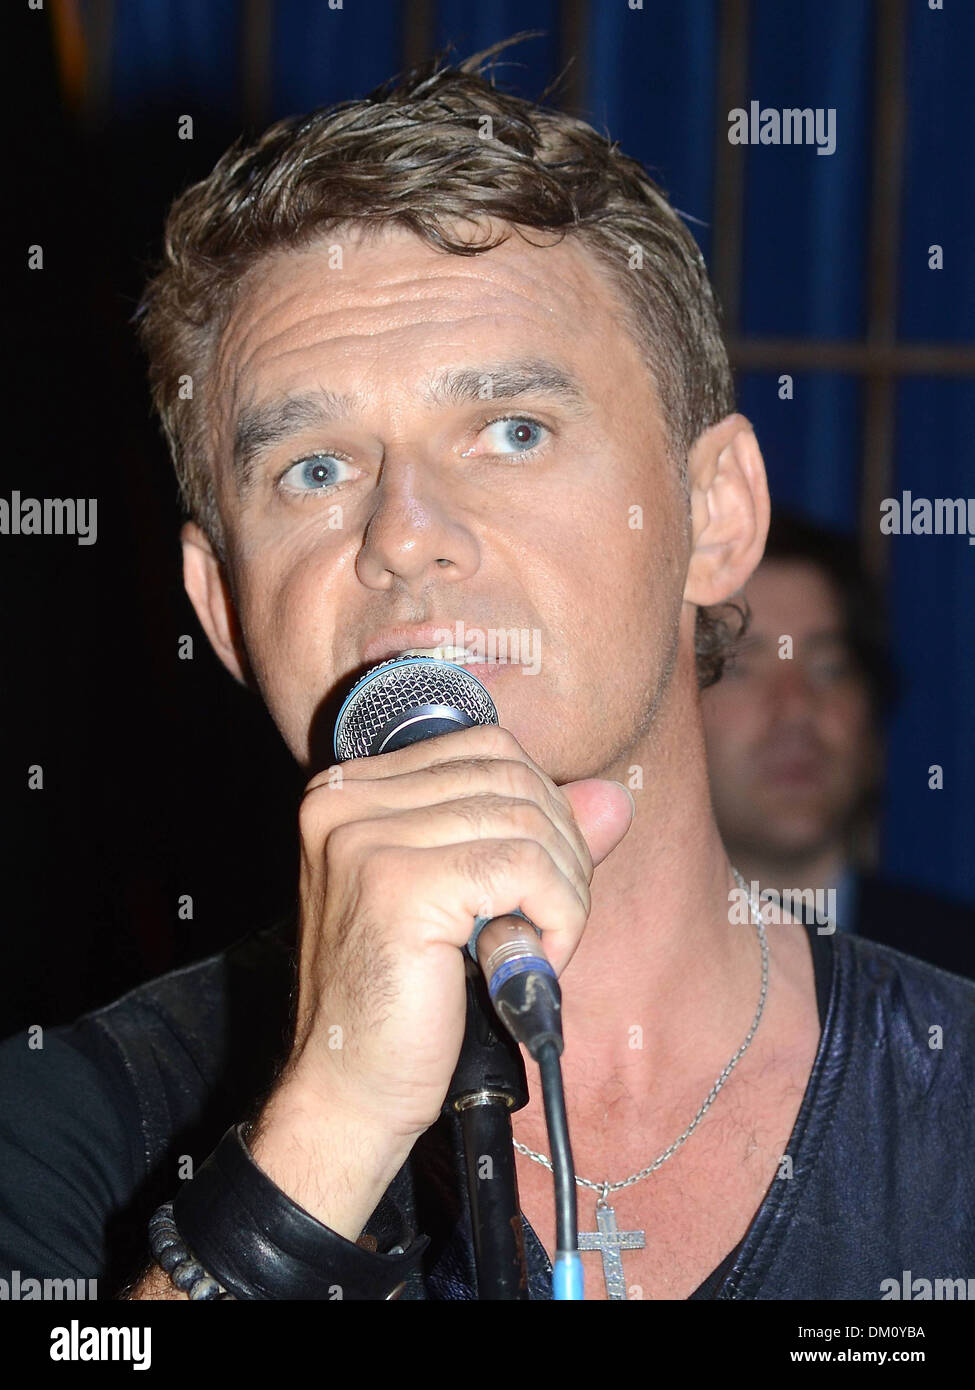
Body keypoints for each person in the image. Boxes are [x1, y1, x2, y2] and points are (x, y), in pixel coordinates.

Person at [1, 39, 973, 1303]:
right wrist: (325, 1137)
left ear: (716, 515)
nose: (404, 534)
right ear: (222, 609)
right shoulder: (68, 1132)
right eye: (315, 468)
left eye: (513, 432)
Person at [702, 511, 975, 978]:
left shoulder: (956, 976)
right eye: (743, 667)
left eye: (829, 668)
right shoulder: (601, 980)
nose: (795, 710)